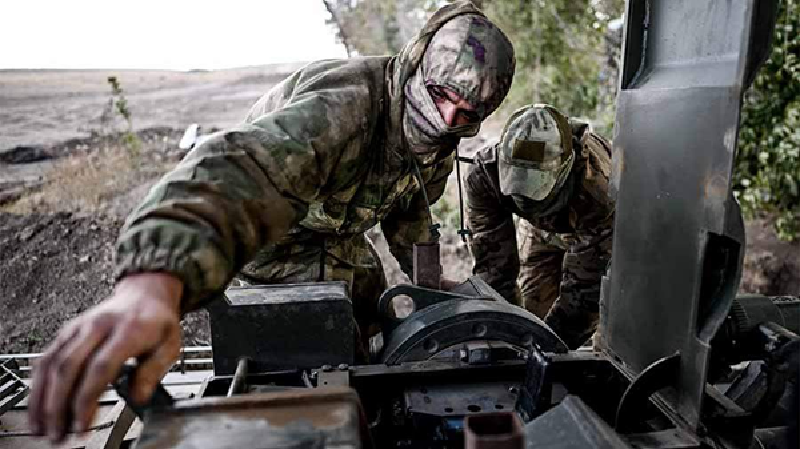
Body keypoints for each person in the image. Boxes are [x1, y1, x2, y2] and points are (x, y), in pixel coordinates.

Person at [29, 1, 515, 442]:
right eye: (440, 95)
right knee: (323, 338)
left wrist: (426, 288)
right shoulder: (346, 107)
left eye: (467, 112)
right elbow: (241, 172)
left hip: (335, 231)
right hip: (275, 237)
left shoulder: (439, 131)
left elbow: (409, 203)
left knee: (373, 312)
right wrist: (155, 284)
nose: (447, 118)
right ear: (417, 67)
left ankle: (375, 403)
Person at [466, 104, 613, 349]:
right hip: (541, 229)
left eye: (534, 189)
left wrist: (543, 353)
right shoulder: (485, 175)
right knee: (532, 313)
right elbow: (494, 267)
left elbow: (584, 295)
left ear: (564, 169)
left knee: (596, 328)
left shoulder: (599, 191)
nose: (524, 201)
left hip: (594, 231)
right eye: (518, 190)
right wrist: (506, 334)